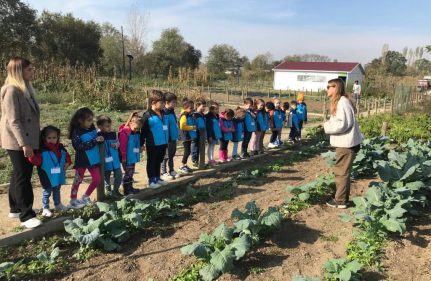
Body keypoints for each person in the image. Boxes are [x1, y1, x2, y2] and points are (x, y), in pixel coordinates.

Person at [0, 57, 42, 228]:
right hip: (17, 140)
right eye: (29, 69)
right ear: (18, 71)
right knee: (24, 176)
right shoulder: (11, 90)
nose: (33, 72)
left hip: (26, 138)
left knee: (19, 173)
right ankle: (26, 215)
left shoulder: (25, 89)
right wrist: (24, 144)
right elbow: (13, 121)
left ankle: (15, 207)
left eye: (32, 69)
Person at [324, 78, 363, 209]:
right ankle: (342, 198)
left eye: (330, 86)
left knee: (341, 172)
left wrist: (327, 126)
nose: (327, 89)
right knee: (343, 172)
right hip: (346, 143)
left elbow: (343, 124)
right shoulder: (342, 101)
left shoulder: (342, 102)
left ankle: (340, 201)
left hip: (346, 144)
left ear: (336, 87)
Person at [28, 126, 71, 217]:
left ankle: (58, 204)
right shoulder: (41, 150)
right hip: (46, 175)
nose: (52, 140)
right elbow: (37, 161)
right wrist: (31, 156)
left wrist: (68, 162)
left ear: (58, 137)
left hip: (58, 174)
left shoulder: (60, 147)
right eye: (49, 138)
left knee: (57, 190)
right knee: (47, 191)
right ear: (44, 138)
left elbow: (67, 156)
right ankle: (45, 208)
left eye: (54, 137)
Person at [68, 107, 103, 208]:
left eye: (92, 120)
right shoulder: (76, 132)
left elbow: (96, 136)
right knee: (78, 180)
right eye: (89, 120)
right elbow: (78, 146)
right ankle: (73, 200)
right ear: (80, 120)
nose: (91, 122)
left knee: (97, 179)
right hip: (82, 160)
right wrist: (95, 141)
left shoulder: (91, 127)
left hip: (93, 159)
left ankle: (85, 196)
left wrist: (100, 137)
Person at [141, 90, 169, 188]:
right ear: (153, 103)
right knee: (152, 161)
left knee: (159, 160)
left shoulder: (163, 113)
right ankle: (151, 180)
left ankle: (158, 177)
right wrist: (141, 144)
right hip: (152, 144)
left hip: (163, 142)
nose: (164, 105)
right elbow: (143, 132)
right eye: (162, 103)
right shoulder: (147, 115)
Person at [96, 115, 123, 198]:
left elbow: (118, 143)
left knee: (119, 174)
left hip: (115, 159)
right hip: (104, 161)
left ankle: (116, 190)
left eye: (110, 125)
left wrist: (116, 145)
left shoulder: (113, 134)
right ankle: (108, 191)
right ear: (100, 126)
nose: (109, 127)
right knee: (106, 176)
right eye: (107, 126)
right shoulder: (97, 135)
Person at [119, 112, 144, 192]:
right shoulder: (125, 133)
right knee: (128, 173)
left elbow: (135, 145)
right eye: (136, 128)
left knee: (131, 172)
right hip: (127, 158)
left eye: (139, 129)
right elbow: (122, 147)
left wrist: (140, 148)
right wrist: (124, 157)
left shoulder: (135, 133)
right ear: (130, 123)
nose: (137, 130)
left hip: (132, 157)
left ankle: (129, 187)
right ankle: (126, 188)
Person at [161, 92, 180, 181]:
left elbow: (175, 124)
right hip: (166, 138)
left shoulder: (172, 112)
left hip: (173, 137)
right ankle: (163, 172)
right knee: (165, 156)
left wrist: (177, 134)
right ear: (166, 102)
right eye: (173, 102)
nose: (175, 104)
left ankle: (171, 170)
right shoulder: (163, 112)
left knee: (172, 154)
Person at [178, 99, 197, 174]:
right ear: (186, 107)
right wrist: (192, 127)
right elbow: (182, 126)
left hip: (187, 135)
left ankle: (184, 165)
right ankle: (182, 166)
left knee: (188, 151)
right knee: (187, 151)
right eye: (191, 108)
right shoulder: (184, 115)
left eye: (193, 108)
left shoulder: (187, 114)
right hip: (185, 135)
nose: (192, 109)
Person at [191, 98, 207, 167]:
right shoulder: (194, 115)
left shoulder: (202, 114)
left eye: (205, 106)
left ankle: (201, 163)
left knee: (202, 147)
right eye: (203, 106)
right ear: (197, 105)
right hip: (196, 133)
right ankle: (195, 161)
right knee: (195, 146)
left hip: (202, 132)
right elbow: (193, 125)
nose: (204, 108)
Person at [205, 102, 222, 166]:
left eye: (218, 109)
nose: (218, 110)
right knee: (210, 147)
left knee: (213, 146)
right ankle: (210, 160)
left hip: (216, 134)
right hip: (211, 135)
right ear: (211, 109)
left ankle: (212, 159)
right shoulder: (208, 117)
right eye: (216, 109)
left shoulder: (217, 116)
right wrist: (209, 136)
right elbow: (209, 127)